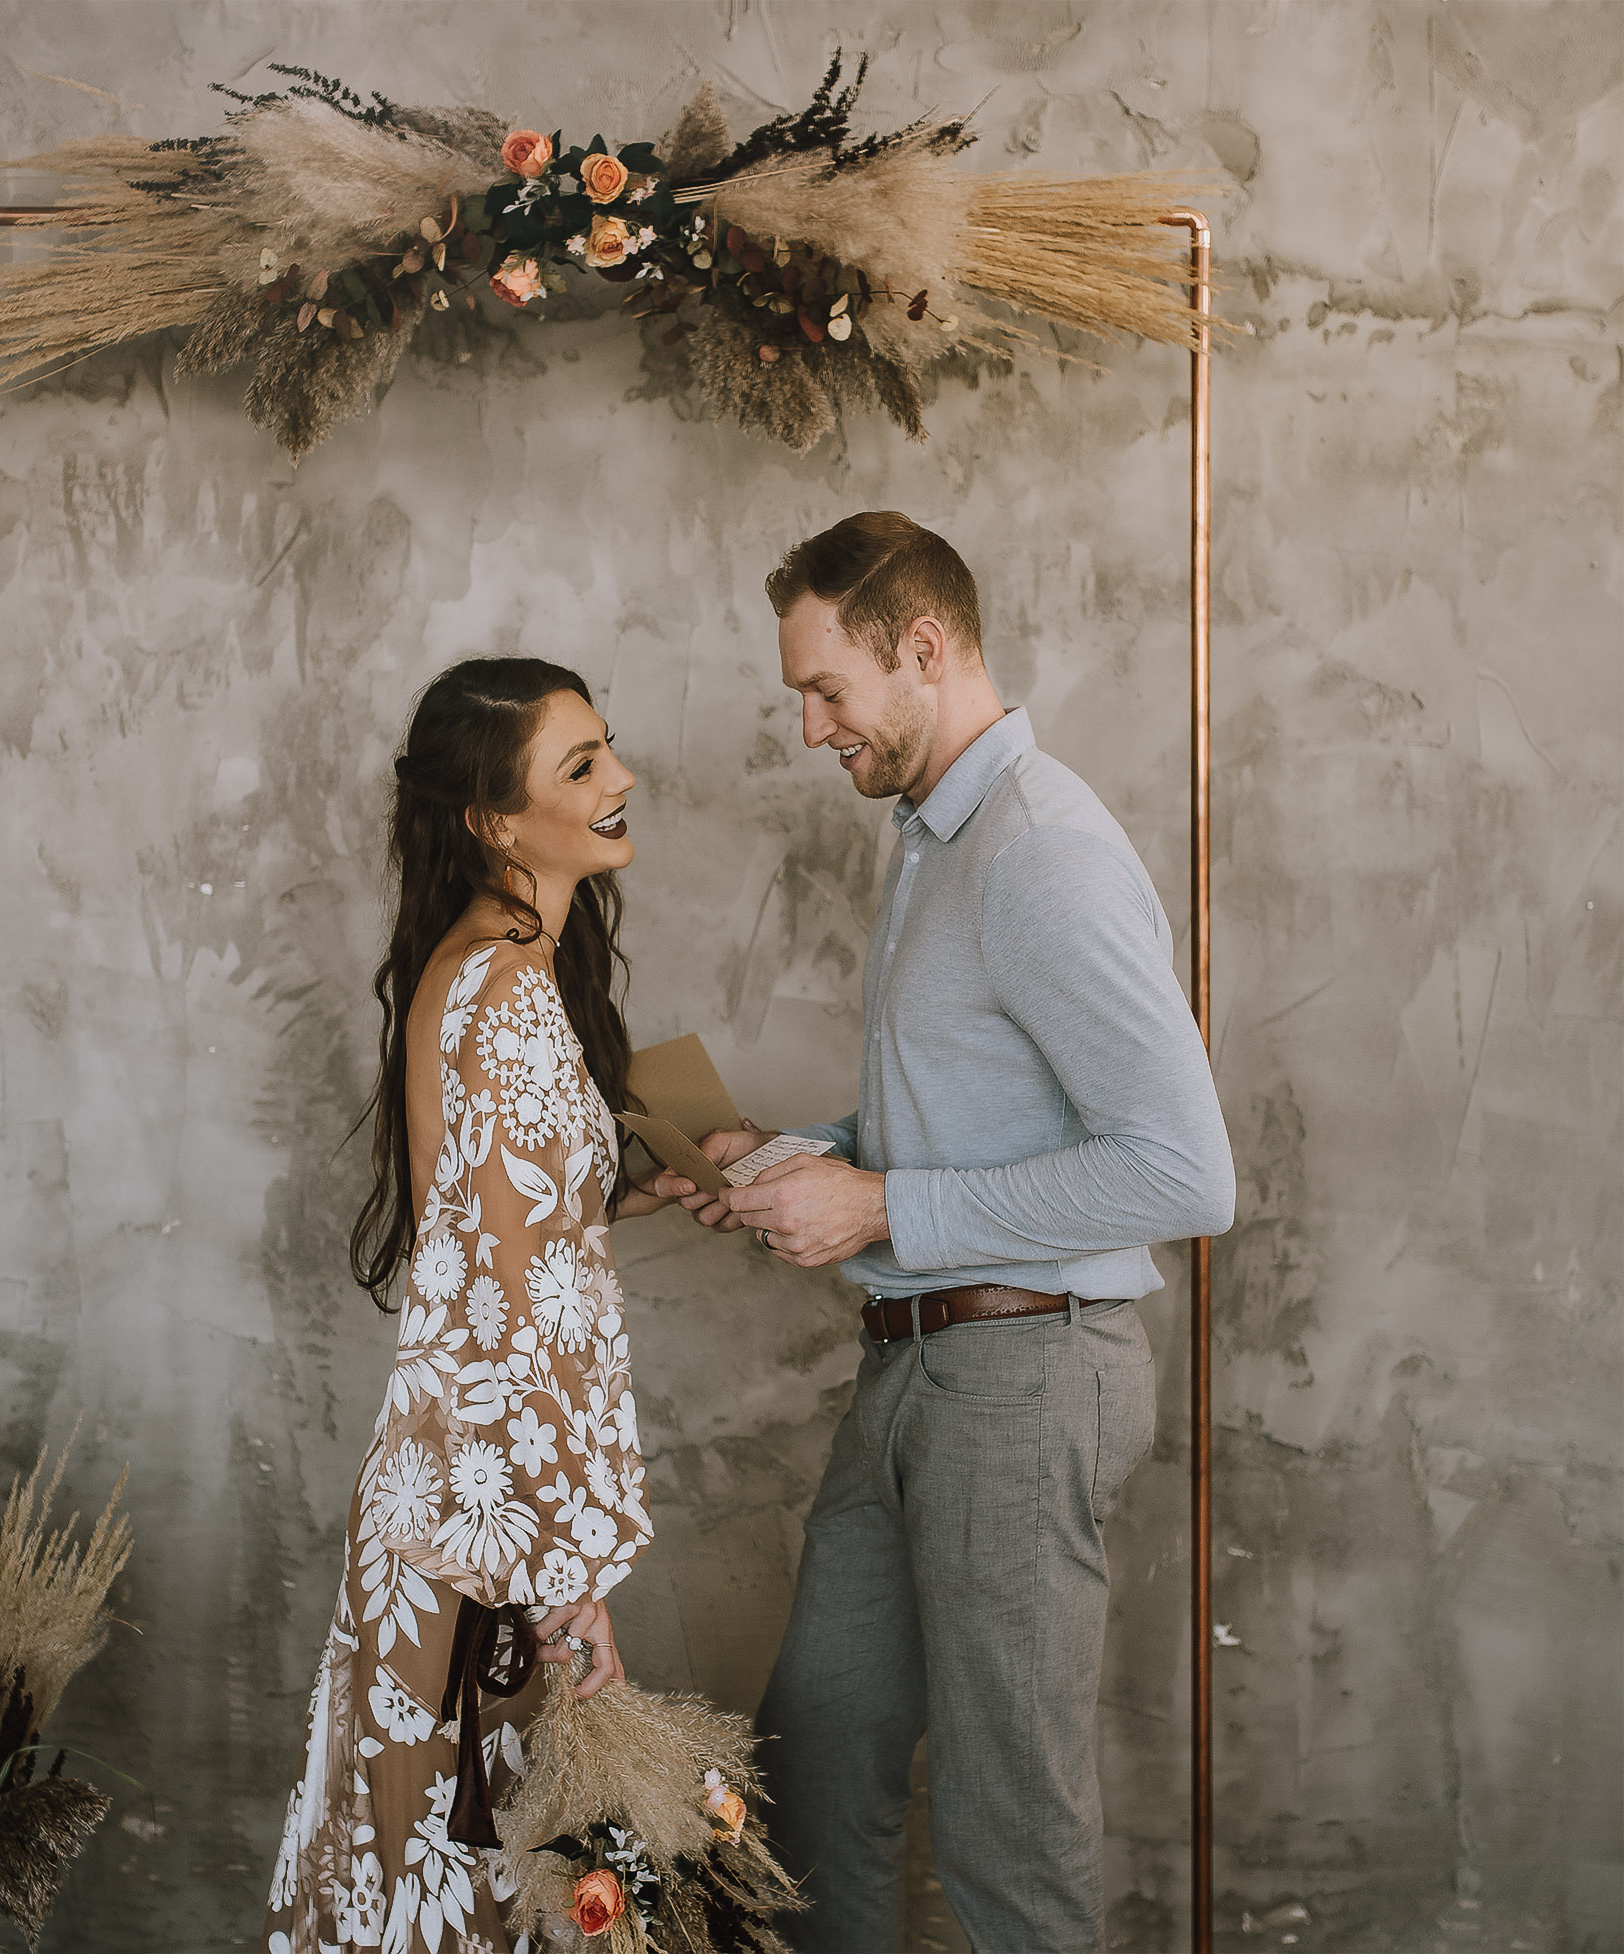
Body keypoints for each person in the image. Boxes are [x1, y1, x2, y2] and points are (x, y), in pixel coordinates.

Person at [660, 513, 1236, 1953]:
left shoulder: (1040, 848)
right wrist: (800, 1155)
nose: (808, 729)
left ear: (925, 650)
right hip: (914, 1363)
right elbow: (978, 1121)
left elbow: (1184, 1171)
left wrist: (884, 1207)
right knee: (816, 1759)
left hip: (1028, 1378)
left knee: (1008, 1829)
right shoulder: (932, 837)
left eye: (825, 689)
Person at [265, 658, 684, 1954]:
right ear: (494, 823)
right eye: (580, 766)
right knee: (469, 1907)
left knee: (446, 1898)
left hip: (460, 1510)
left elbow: (500, 1232)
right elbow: (509, 1311)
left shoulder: (500, 964)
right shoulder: (505, 989)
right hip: (479, 1529)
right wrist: (566, 1578)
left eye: (608, 750)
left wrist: (644, 1189)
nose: (619, 780)